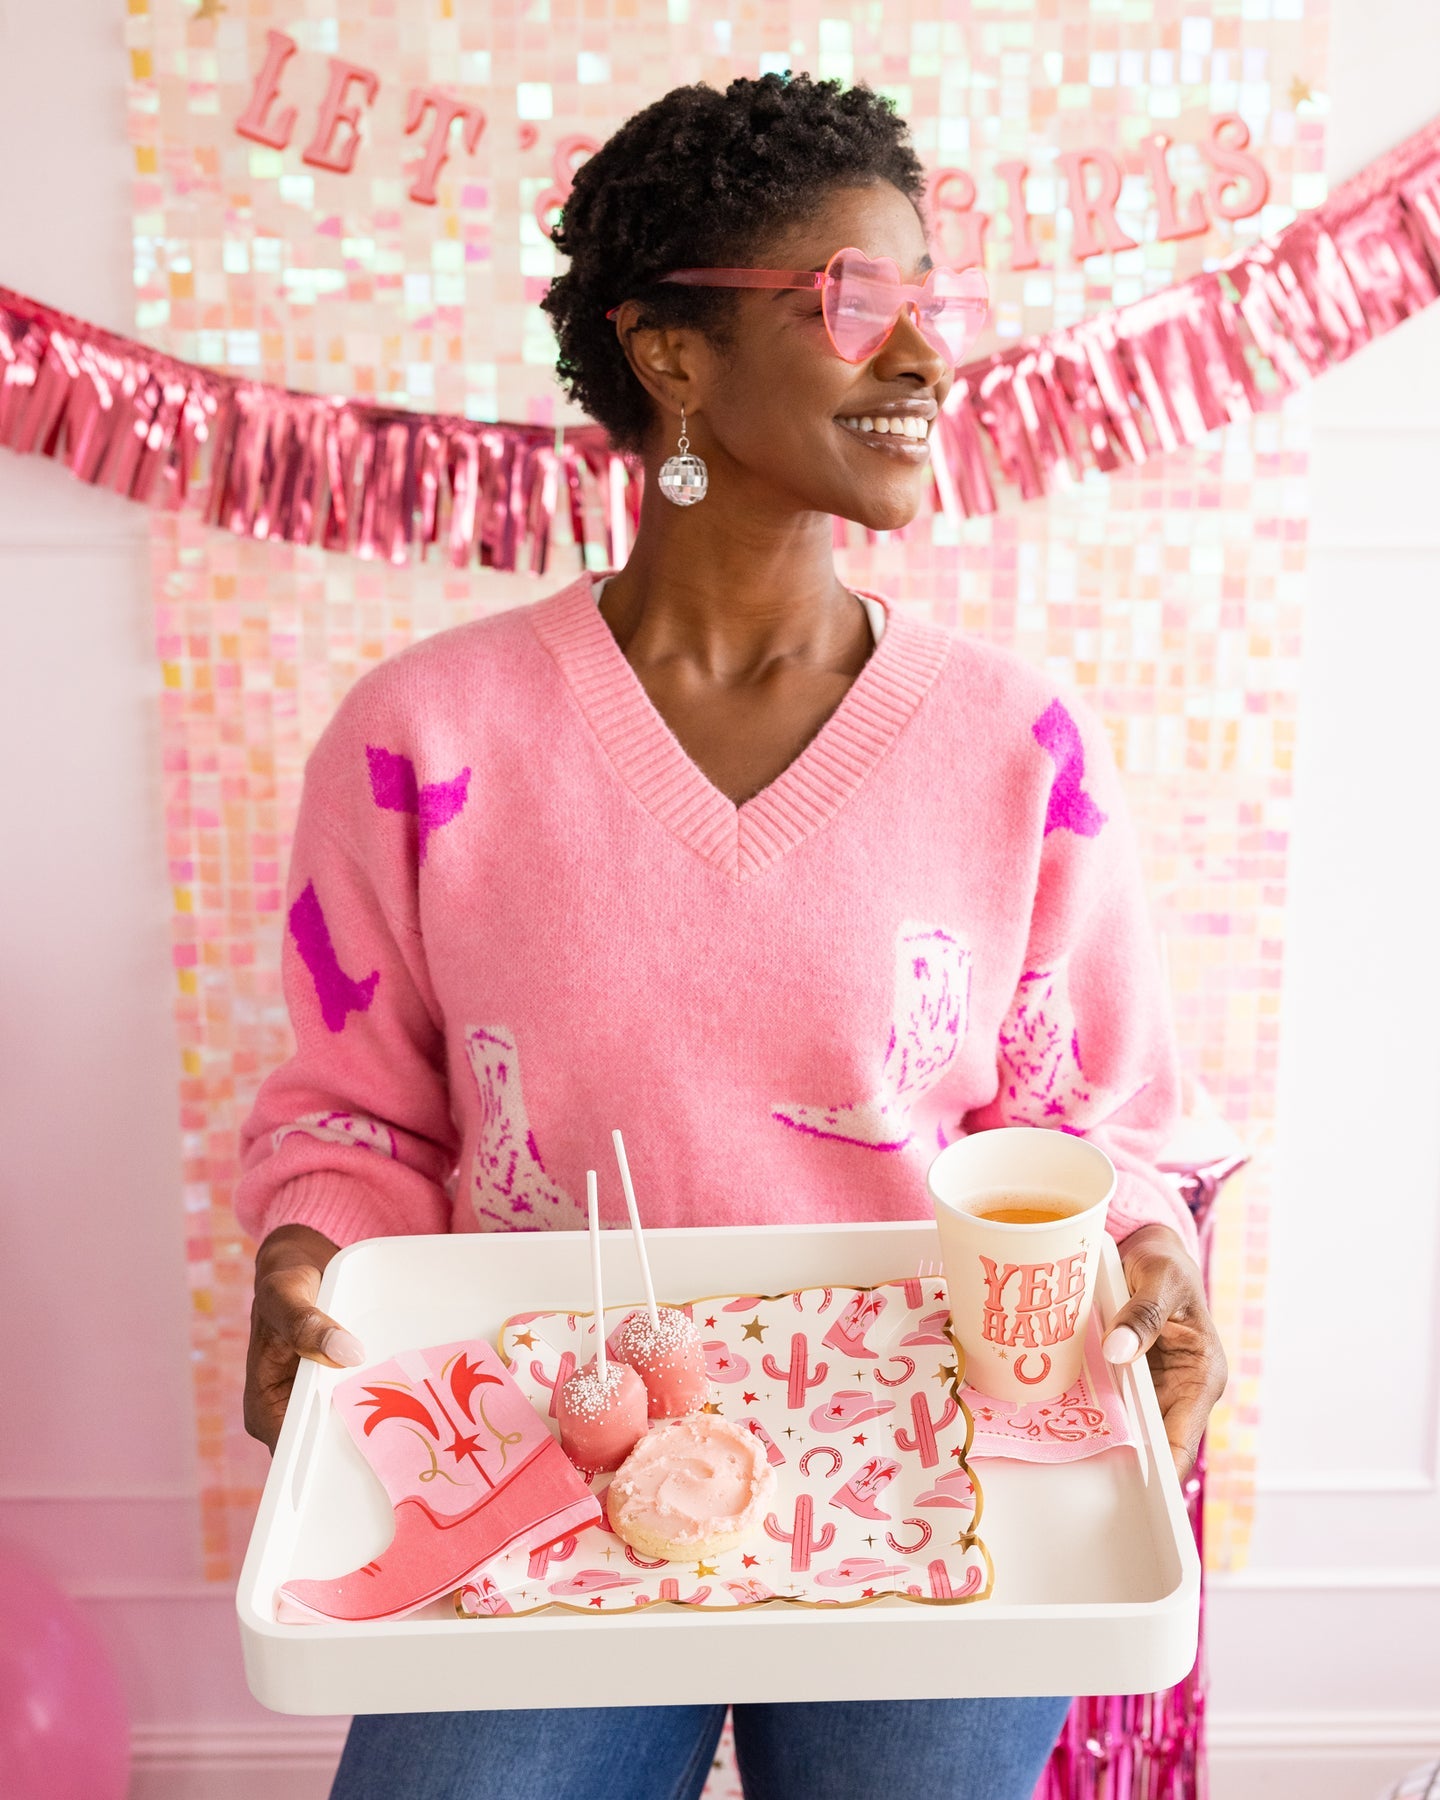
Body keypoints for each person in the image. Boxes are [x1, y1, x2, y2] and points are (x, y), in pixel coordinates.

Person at [238, 72, 1228, 1800]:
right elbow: (357, 1121)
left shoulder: (1019, 750)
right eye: (856, 302)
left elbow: (1093, 1127)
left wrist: (1149, 1267)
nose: (925, 361)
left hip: (932, 1460)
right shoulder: (423, 742)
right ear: (672, 356)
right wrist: (305, 1260)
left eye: (934, 307)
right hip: (543, 1445)